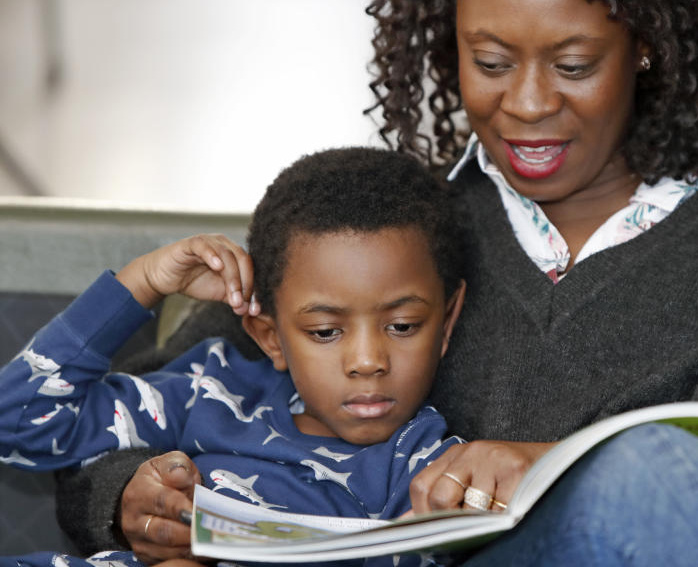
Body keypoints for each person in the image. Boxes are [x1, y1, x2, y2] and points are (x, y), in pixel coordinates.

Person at [53, 0, 698, 565]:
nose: (525, 105)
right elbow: (121, 423)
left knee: (644, 479)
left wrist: (567, 457)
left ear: (646, 46)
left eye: (573, 64)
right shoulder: (380, 231)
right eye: (489, 62)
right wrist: (132, 497)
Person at [0, 148, 468, 567]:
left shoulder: (428, 467)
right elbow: (20, 422)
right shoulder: (211, 389)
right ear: (270, 337)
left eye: (402, 326)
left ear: (445, 324)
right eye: (325, 331)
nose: (367, 361)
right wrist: (142, 283)